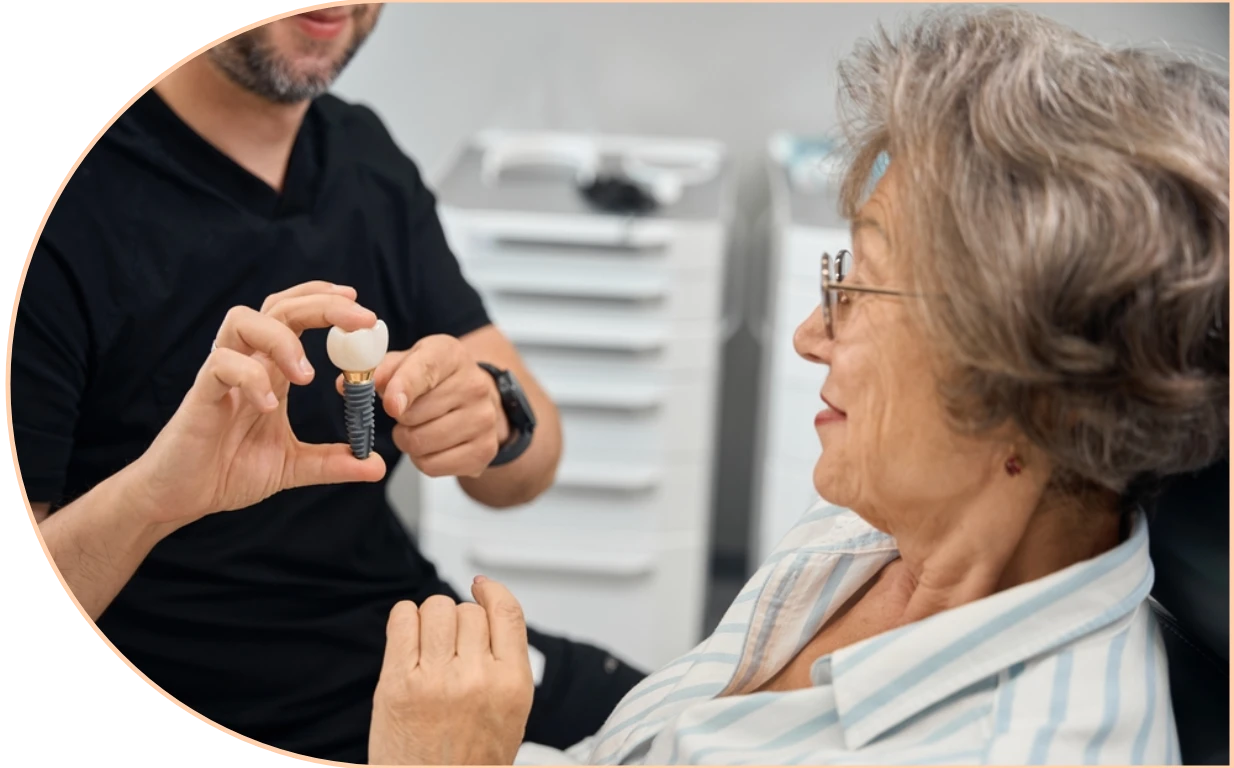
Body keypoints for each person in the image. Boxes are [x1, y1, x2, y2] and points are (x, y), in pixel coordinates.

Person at [366, 6, 1229, 765]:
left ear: (1033, 394)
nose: (810, 334)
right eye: (832, 280)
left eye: (859, 291)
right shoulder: (883, 516)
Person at [11, 4, 644, 763]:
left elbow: (532, 461)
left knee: (686, 729)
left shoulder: (365, 158)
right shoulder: (69, 214)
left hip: (402, 641)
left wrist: (495, 416)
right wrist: (155, 495)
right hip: (211, 692)